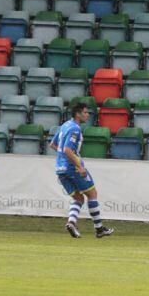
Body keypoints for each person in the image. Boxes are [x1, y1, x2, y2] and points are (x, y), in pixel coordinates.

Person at [50, 102, 114, 239]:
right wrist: (79, 166)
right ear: (78, 114)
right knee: (92, 194)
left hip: (60, 168)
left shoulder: (65, 125)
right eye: (85, 112)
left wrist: (63, 156)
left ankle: (71, 222)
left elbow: (53, 144)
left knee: (78, 198)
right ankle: (99, 229)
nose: (87, 115)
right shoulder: (75, 129)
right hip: (73, 167)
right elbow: (67, 149)